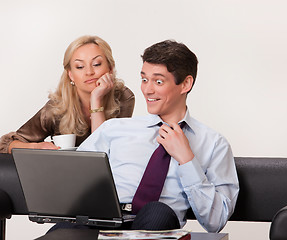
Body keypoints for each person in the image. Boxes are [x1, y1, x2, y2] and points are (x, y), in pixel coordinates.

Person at [75, 40, 239, 233]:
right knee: (64, 231)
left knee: (157, 210)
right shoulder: (114, 129)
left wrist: (187, 160)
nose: (147, 90)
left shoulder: (213, 144)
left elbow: (215, 221)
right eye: (144, 79)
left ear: (185, 84)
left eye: (158, 81)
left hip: (155, 225)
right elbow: (74, 179)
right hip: (100, 223)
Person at [0, 35, 135, 153]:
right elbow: (5, 144)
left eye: (97, 64)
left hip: (109, 178)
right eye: (80, 66)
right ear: (71, 75)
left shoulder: (123, 97)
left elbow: (102, 151)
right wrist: (36, 146)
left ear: (110, 68)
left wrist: (96, 99)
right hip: (64, 176)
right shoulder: (56, 108)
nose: (89, 72)